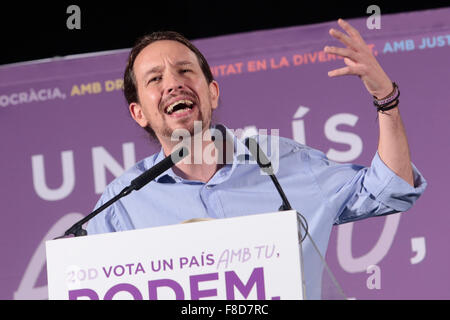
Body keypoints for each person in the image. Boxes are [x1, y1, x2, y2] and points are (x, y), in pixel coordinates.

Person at [86, 19, 427, 299]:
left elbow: (392, 188)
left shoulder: (284, 162)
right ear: (139, 113)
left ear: (212, 91)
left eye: (185, 71)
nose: (173, 84)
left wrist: (386, 99)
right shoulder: (121, 208)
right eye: (155, 79)